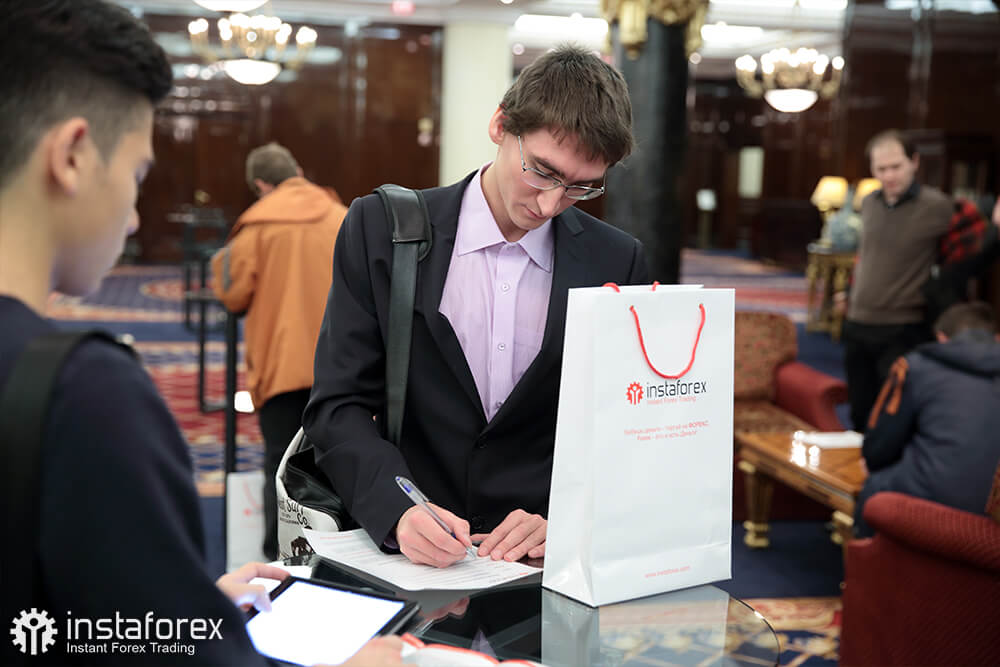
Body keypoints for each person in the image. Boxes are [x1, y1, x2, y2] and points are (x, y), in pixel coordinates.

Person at [0, 2, 399, 665]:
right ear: (71, 155)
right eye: (137, 174)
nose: (134, 215)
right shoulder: (82, 392)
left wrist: (182, 610)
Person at [303, 45, 649, 569]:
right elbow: (338, 404)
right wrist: (397, 509)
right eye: (542, 171)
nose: (550, 204)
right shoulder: (382, 230)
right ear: (500, 125)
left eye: (580, 187)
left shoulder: (617, 260)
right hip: (406, 552)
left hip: (542, 562)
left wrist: (568, 516)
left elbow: (624, 425)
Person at [211, 142, 347, 561]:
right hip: (341, 366)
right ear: (298, 171)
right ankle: (343, 553)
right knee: (341, 460)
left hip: (282, 367)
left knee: (282, 466)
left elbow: (232, 293)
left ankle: (279, 554)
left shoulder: (257, 227)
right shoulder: (342, 217)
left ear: (260, 185)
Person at [854, 302, 1000, 538]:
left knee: (875, 485)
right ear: (996, 338)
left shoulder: (918, 366)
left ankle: (863, 558)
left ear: (941, 338)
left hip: (930, 504)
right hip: (992, 521)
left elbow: (878, 449)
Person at [840, 129, 954, 431]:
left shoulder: (937, 206)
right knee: (859, 412)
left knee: (892, 417)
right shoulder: (869, 202)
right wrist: (849, 293)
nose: (888, 175)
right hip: (858, 322)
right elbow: (866, 257)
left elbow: (970, 249)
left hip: (902, 327)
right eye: (881, 169)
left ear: (914, 162)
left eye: (896, 167)